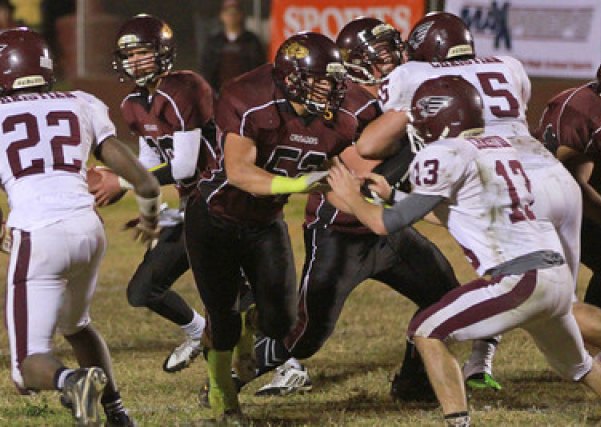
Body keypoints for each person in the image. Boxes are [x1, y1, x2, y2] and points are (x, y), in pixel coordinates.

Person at [328, 74, 601, 427]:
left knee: (426, 331)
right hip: (552, 275)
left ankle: (458, 422)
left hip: (519, 278)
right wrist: (393, 196)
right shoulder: (499, 146)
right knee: (581, 365)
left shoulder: (444, 152)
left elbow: (384, 225)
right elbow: (462, 214)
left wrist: (352, 198)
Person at [251, 17, 459, 401]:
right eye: (380, 55)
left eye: (393, 48)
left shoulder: (398, 94)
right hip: (340, 231)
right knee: (307, 336)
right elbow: (364, 177)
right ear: (354, 63)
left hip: (386, 228)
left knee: (445, 297)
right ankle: (241, 364)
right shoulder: (341, 101)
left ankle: (414, 385)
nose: (394, 59)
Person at [185, 31, 373, 420]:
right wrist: (296, 185)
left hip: (265, 222)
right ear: (291, 78)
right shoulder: (249, 98)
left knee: (282, 320)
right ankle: (223, 394)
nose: (330, 88)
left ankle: (249, 329)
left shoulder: (334, 119)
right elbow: (238, 172)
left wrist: (378, 192)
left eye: (334, 80)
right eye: (320, 79)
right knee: (222, 319)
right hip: (215, 217)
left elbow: (349, 168)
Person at [0, 28, 160, 426]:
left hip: (38, 232)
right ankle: (117, 414)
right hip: (88, 230)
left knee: (26, 366)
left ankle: (71, 381)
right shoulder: (80, 101)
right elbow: (135, 172)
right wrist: (150, 207)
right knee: (77, 324)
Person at [90, 14, 211, 374]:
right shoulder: (133, 104)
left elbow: (186, 168)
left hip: (223, 204)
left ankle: (286, 360)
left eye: (142, 53)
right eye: (128, 56)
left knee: (236, 295)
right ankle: (198, 332)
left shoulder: (184, 88)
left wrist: (122, 182)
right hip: (191, 206)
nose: (133, 62)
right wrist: (152, 207)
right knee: (144, 289)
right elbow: (148, 160)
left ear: (162, 52)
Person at [534, 50, 601, 317]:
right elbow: (570, 183)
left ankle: (596, 348)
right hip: (543, 209)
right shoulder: (588, 114)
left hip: (578, 211)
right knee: (539, 293)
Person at [199, 0, 266, 95]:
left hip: (246, 94)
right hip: (220, 94)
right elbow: (206, 68)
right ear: (221, 16)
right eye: (228, 13)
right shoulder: (214, 42)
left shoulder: (251, 41)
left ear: (241, 15)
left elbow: (259, 68)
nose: (231, 17)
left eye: (234, 13)